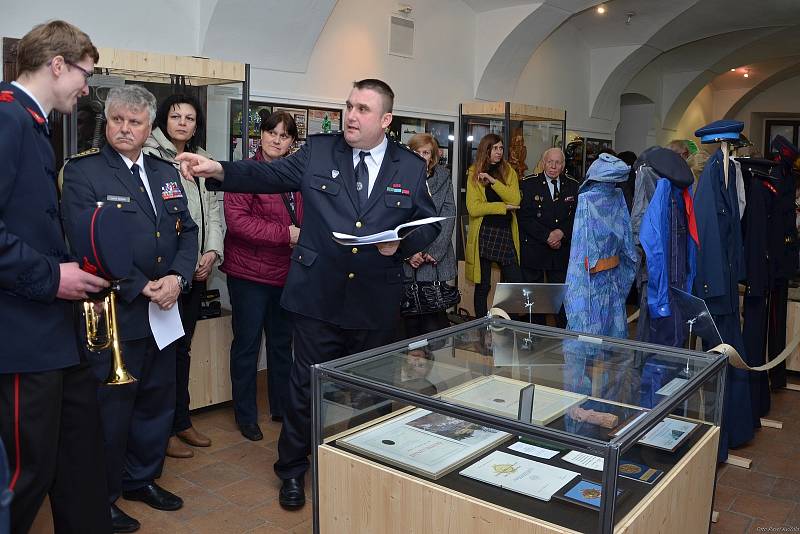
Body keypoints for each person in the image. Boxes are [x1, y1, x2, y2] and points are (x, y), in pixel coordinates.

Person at [175, 78, 439, 510]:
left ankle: (361, 469)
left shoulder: (409, 166)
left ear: (386, 120)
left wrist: (403, 244)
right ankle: (292, 471)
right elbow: (267, 173)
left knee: (371, 392)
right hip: (317, 298)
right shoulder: (319, 151)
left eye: (363, 109)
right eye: (349, 105)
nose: (351, 115)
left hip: (373, 302)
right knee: (303, 390)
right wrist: (218, 170)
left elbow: (427, 223)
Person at [61, 84, 198, 533]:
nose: (123, 128)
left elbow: (187, 230)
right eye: (116, 120)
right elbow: (83, 243)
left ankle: (141, 478)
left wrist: (177, 278)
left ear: (148, 129)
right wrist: (141, 286)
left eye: (134, 122)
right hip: (117, 311)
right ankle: (104, 496)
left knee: (157, 400)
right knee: (111, 410)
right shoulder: (84, 173)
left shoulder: (164, 170)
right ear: (107, 123)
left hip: (165, 307)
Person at [0, 20, 112, 534]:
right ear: (58, 64)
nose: (87, 87)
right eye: (85, 74)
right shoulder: (8, 119)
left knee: (75, 462)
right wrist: (53, 277)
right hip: (23, 334)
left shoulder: (31, 122)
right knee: (27, 474)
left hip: (51, 333)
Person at [142, 94, 223, 459]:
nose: (183, 123)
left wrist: (211, 253)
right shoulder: (150, 156)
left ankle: (181, 420)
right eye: (176, 116)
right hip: (167, 276)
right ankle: (163, 429)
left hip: (198, 271)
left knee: (183, 350)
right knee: (163, 354)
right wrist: (180, 267)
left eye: (190, 118)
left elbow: (214, 213)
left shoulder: (201, 158)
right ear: (163, 119)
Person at [221, 111, 303, 441]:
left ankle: (281, 407)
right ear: (261, 136)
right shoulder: (244, 172)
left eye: (284, 135)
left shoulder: (299, 174)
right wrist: (287, 235)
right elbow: (239, 223)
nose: (277, 139)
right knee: (247, 345)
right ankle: (245, 414)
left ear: (292, 142)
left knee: (283, 345)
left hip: (287, 274)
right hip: (248, 275)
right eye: (272, 133)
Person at [402, 133, 456, 337]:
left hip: (435, 261)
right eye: (417, 152)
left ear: (432, 157)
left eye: (426, 152)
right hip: (408, 260)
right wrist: (409, 252)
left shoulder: (443, 178)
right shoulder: (398, 177)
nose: (421, 156)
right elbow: (395, 218)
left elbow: (448, 215)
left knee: (435, 327)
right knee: (408, 324)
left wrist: (434, 251)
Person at [517, 147, 578, 327]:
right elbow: (524, 217)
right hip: (535, 248)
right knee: (534, 298)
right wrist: (547, 236)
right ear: (543, 163)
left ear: (563, 165)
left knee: (560, 296)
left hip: (561, 249)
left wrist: (561, 233)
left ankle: (564, 335)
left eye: (558, 162)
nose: (553, 166)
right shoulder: (528, 184)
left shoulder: (573, 185)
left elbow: (576, 216)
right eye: (550, 162)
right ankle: (535, 335)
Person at [464, 133, 522, 320]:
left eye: (501, 148)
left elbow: (515, 199)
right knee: (484, 285)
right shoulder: (474, 173)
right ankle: (481, 325)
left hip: (505, 234)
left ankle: (509, 323)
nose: (499, 152)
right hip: (484, 234)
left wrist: (493, 181)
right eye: (494, 148)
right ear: (486, 150)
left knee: (514, 282)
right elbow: (473, 208)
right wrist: (503, 207)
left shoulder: (509, 172)